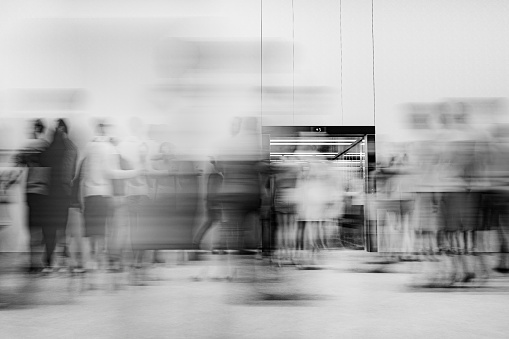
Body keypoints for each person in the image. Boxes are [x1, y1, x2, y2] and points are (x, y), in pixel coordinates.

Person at [81, 121, 140, 278]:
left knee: (92, 230)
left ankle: (94, 260)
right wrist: (134, 172)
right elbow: (111, 172)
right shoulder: (109, 150)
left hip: (89, 194)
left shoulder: (89, 148)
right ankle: (104, 260)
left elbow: (82, 173)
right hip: (105, 195)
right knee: (106, 230)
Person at [14, 119, 50, 273]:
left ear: (36, 129)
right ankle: (40, 262)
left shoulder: (28, 146)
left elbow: (16, 165)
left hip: (31, 192)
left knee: (31, 227)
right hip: (46, 193)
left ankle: (33, 263)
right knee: (42, 228)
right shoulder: (49, 147)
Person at [42, 119, 78, 272]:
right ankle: (62, 260)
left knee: (51, 228)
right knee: (62, 227)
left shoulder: (51, 147)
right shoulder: (71, 147)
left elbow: (45, 165)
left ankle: (51, 261)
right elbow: (71, 173)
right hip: (63, 193)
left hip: (50, 194)